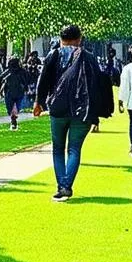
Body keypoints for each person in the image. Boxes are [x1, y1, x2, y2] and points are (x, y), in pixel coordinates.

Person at [34, 24, 113, 202]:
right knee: (74, 148)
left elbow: (44, 80)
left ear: (61, 39)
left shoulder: (54, 55)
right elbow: (99, 83)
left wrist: (38, 102)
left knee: (57, 149)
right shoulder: (89, 58)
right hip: (82, 110)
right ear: (80, 39)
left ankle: (62, 185)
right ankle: (66, 185)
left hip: (58, 108)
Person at [0, 57, 27, 130]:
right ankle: (13, 121)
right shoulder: (20, 71)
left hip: (12, 93)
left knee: (13, 108)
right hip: (15, 93)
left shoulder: (9, 72)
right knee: (15, 108)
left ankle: (13, 121)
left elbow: (1, 79)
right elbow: (26, 80)